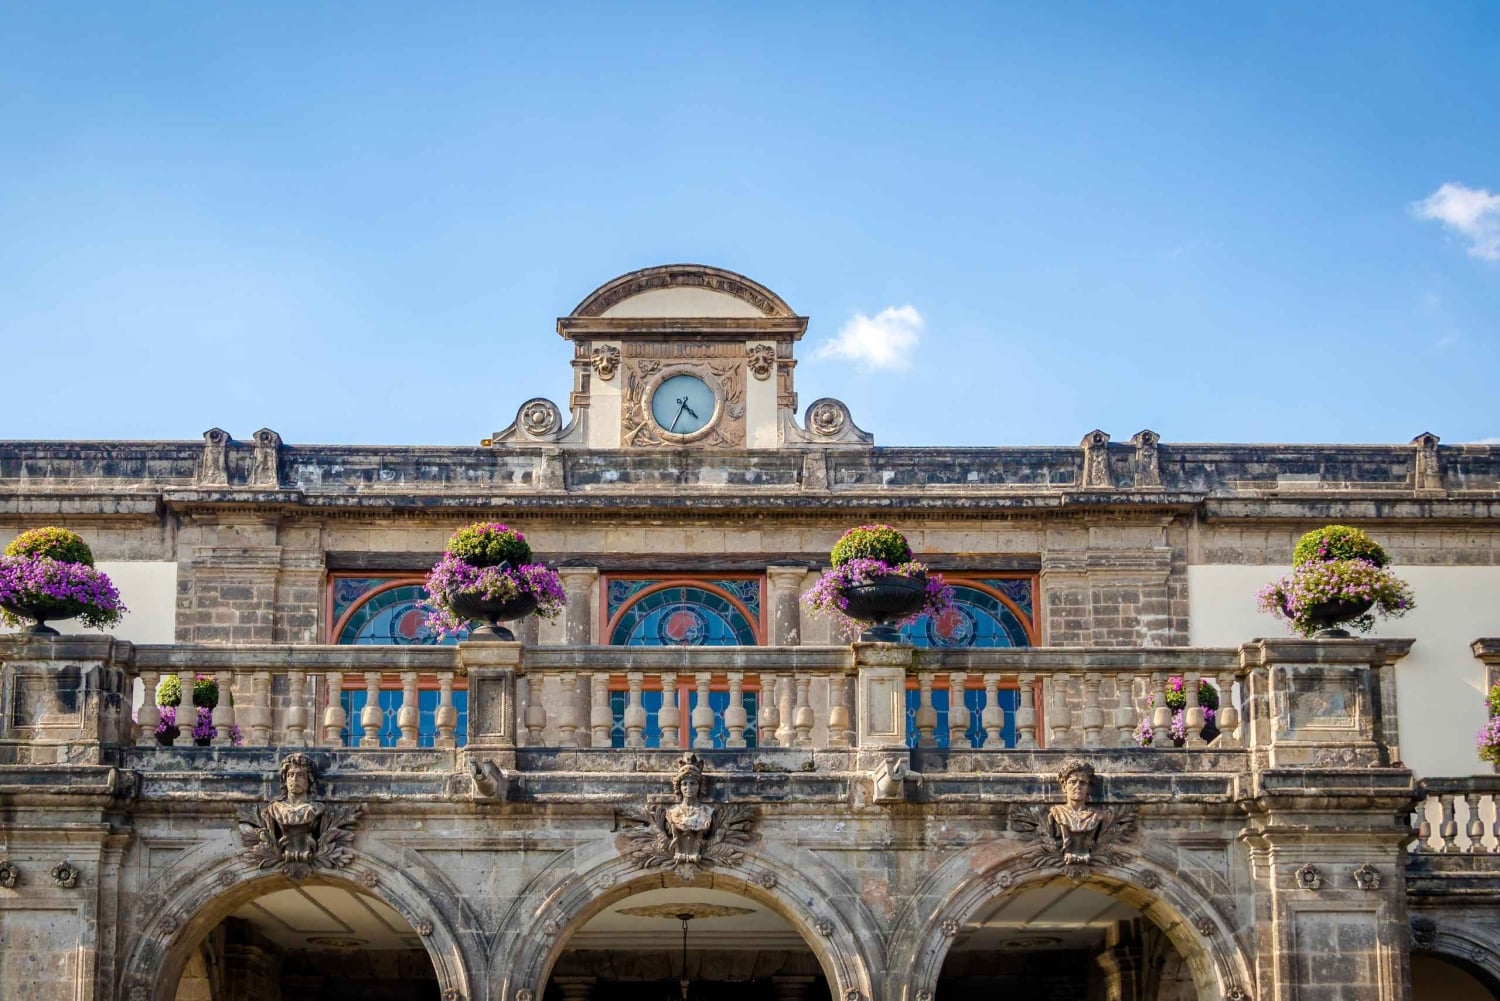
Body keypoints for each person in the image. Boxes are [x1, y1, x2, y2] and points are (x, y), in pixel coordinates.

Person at [264, 753, 325, 866]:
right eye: (290, 775)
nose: (294, 779)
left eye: (300, 775)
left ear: (309, 780)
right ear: (285, 780)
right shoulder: (275, 809)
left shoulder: (316, 809)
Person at [1047, 759, 1101, 866]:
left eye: (1083, 783)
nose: (1078, 786)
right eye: (1072, 782)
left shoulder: (1097, 816)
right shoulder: (1055, 813)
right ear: (1064, 787)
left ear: (1088, 788)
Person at [664, 754, 714, 865]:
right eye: (684, 784)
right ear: (679, 787)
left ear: (700, 786)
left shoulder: (707, 812)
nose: (688, 788)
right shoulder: (672, 813)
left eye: (693, 783)